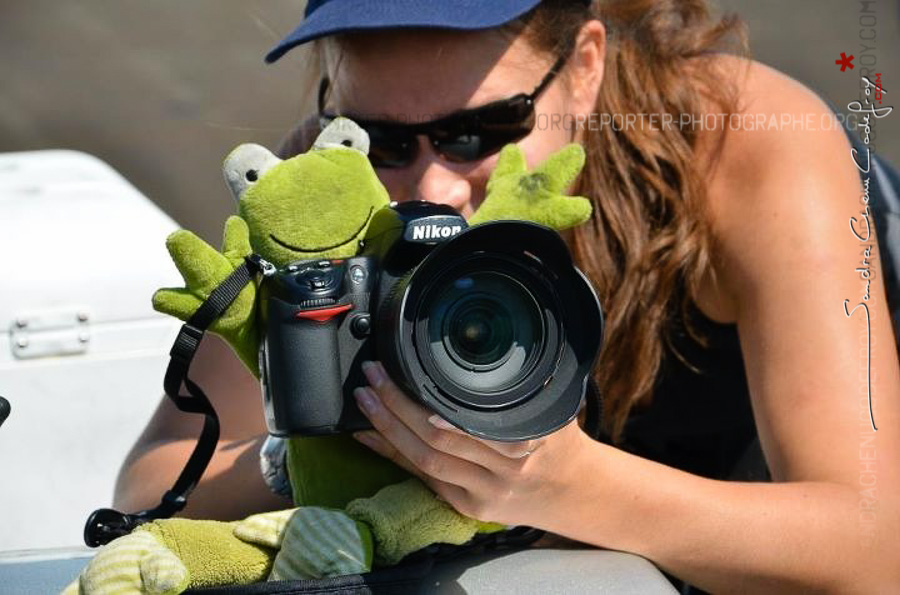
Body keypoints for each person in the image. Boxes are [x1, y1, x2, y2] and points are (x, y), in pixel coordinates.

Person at [114, 0, 900, 591]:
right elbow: (152, 483)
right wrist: (317, 445)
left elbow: (873, 546)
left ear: (586, 68)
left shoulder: (740, 143)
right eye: (380, 137)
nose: (431, 185)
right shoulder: (325, 189)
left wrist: (567, 487)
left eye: (482, 129)